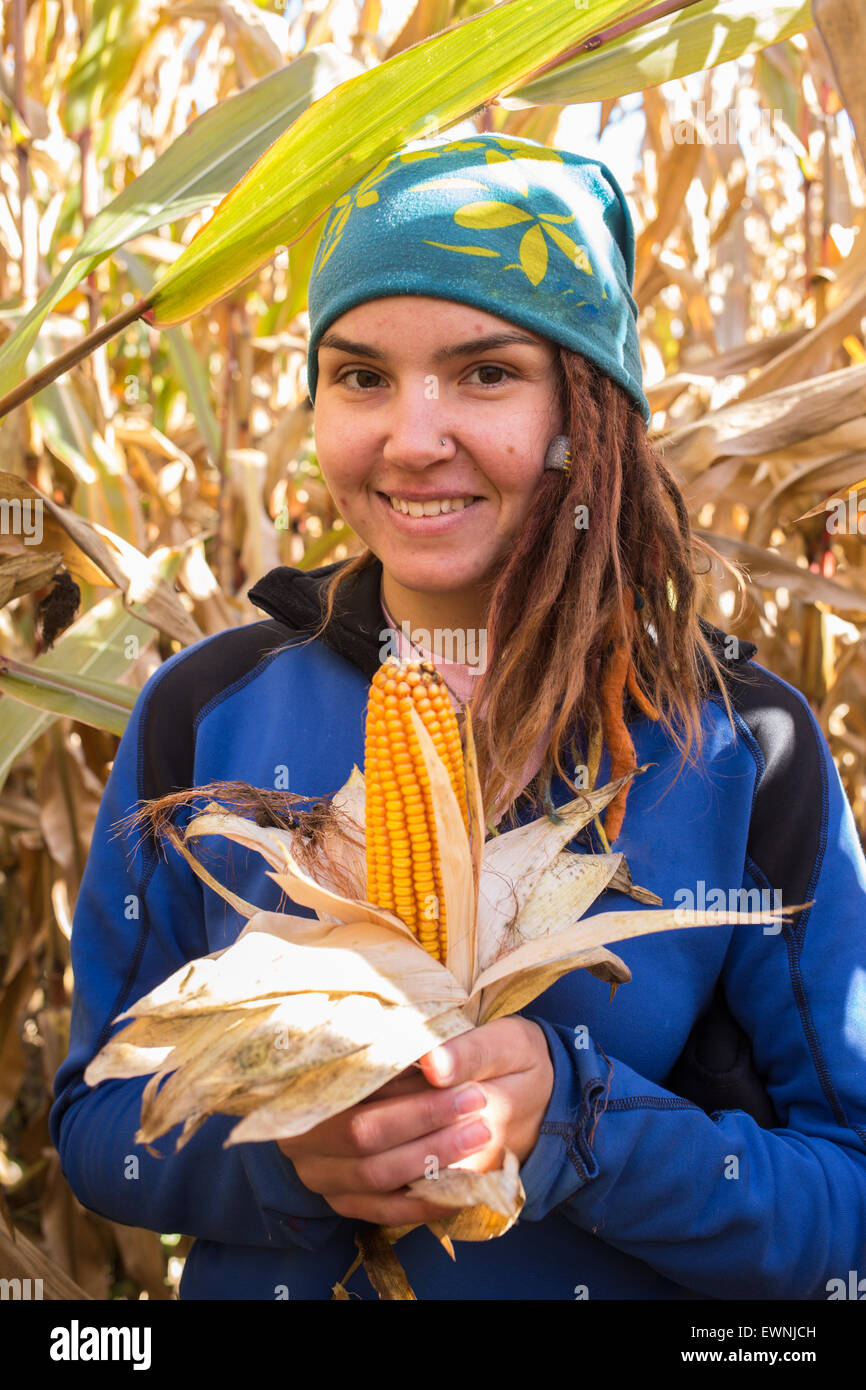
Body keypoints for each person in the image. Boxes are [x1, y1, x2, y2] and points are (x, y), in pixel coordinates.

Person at [51, 132, 866, 1300]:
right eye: (362, 375)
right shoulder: (203, 709)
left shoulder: (746, 745)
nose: (412, 437)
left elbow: (843, 1204)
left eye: (485, 373)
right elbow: (94, 1125)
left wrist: (577, 1127)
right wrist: (288, 1152)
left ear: (583, 410)